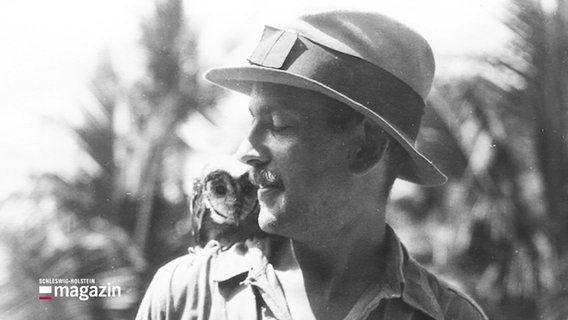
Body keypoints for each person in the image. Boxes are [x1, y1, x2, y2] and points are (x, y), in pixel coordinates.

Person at [136, 10, 488, 320]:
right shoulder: (187, 295)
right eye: (253, 121)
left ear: (364, 148)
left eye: (279, 126)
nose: (246, 152)